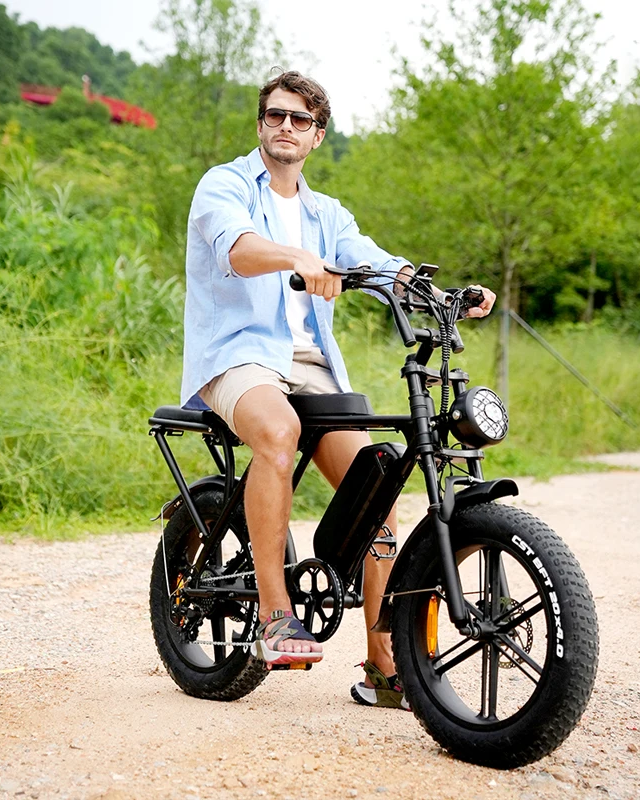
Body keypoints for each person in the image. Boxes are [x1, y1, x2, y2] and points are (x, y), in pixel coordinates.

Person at [181, 70, 495, 708]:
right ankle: (275, 614)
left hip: (311, 363)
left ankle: (385, 666)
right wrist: (295, 259)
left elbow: (375, 260)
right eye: (275, 116)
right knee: (278, 431)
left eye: (300, 120)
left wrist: (443, 293)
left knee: (378, 488)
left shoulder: (327, 214)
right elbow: (236, 249)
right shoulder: (226, 184)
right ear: (262, 123)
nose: (285, 128)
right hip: (237, 355)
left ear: (318, 135)